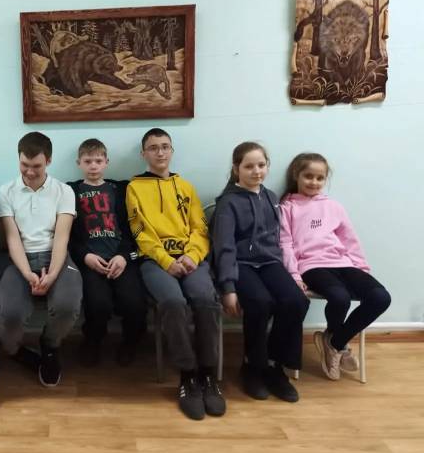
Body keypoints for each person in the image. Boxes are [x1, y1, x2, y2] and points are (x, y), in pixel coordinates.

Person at [127, 128, 225, 420]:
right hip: (155, 261)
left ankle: (209, 375)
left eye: (165, 146)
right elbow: (140, 231)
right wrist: (166, 260)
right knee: (172, 302)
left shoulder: (186, 186)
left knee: (205, 299)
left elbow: (200, 229)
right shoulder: (135, 187)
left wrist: (192, 256)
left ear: (172, 151)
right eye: (153, 147)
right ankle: (187, 375)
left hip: (191, 259)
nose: (160, 152)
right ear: (144, 153)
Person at [212, 141, 309, 403]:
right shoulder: (228, 203)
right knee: (260, 302)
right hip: (241, 264)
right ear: (236, 169)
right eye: (249, 166)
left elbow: (280, 240)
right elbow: (224, 247)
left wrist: (294, 274)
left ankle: (275, 366)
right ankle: (252, 366)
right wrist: (228, 288)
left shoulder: (271, 197)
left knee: (296, 301)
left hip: (269, 262)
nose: (256, 171)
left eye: (261, 165)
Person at [280, 152, 391, 380]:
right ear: (296, 175)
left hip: (343, 263)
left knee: (381, 297)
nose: (314, 182)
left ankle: (335, 342)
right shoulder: (287, 207)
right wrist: (294, 274)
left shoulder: (333, 206)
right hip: (311, 265)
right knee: (340, 298)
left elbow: (350, 239)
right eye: (308, 176)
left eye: (320, 178)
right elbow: (285, 244)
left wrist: (361, 269)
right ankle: (337, 345)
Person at [0, 132, 82, 387]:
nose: (30, 172)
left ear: (49, 161)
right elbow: (12, 239)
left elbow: (62, 237)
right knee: (11, 315)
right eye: (24, 165)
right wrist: (28, 274)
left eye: (37, 166)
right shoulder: (5, 192)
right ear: (18, 159)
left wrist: (52, 275)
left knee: (67, 306)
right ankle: (15, 351)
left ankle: (50, 345)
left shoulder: (63, 191)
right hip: (19, 258)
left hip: (55, 256)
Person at [67, 138, 146, 367]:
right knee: (97, 304)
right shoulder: (70, 191)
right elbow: (67, 234)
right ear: (79, 163)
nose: (93, 166)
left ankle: (130, 342)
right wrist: (85, 256)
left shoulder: (119, 189)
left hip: (121, 259)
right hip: (90, 261)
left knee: (134, 304)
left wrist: (123, 255)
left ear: (106, 162)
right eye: (87, 161)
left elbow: (131, 228)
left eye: (98, 161)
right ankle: (92, 341)